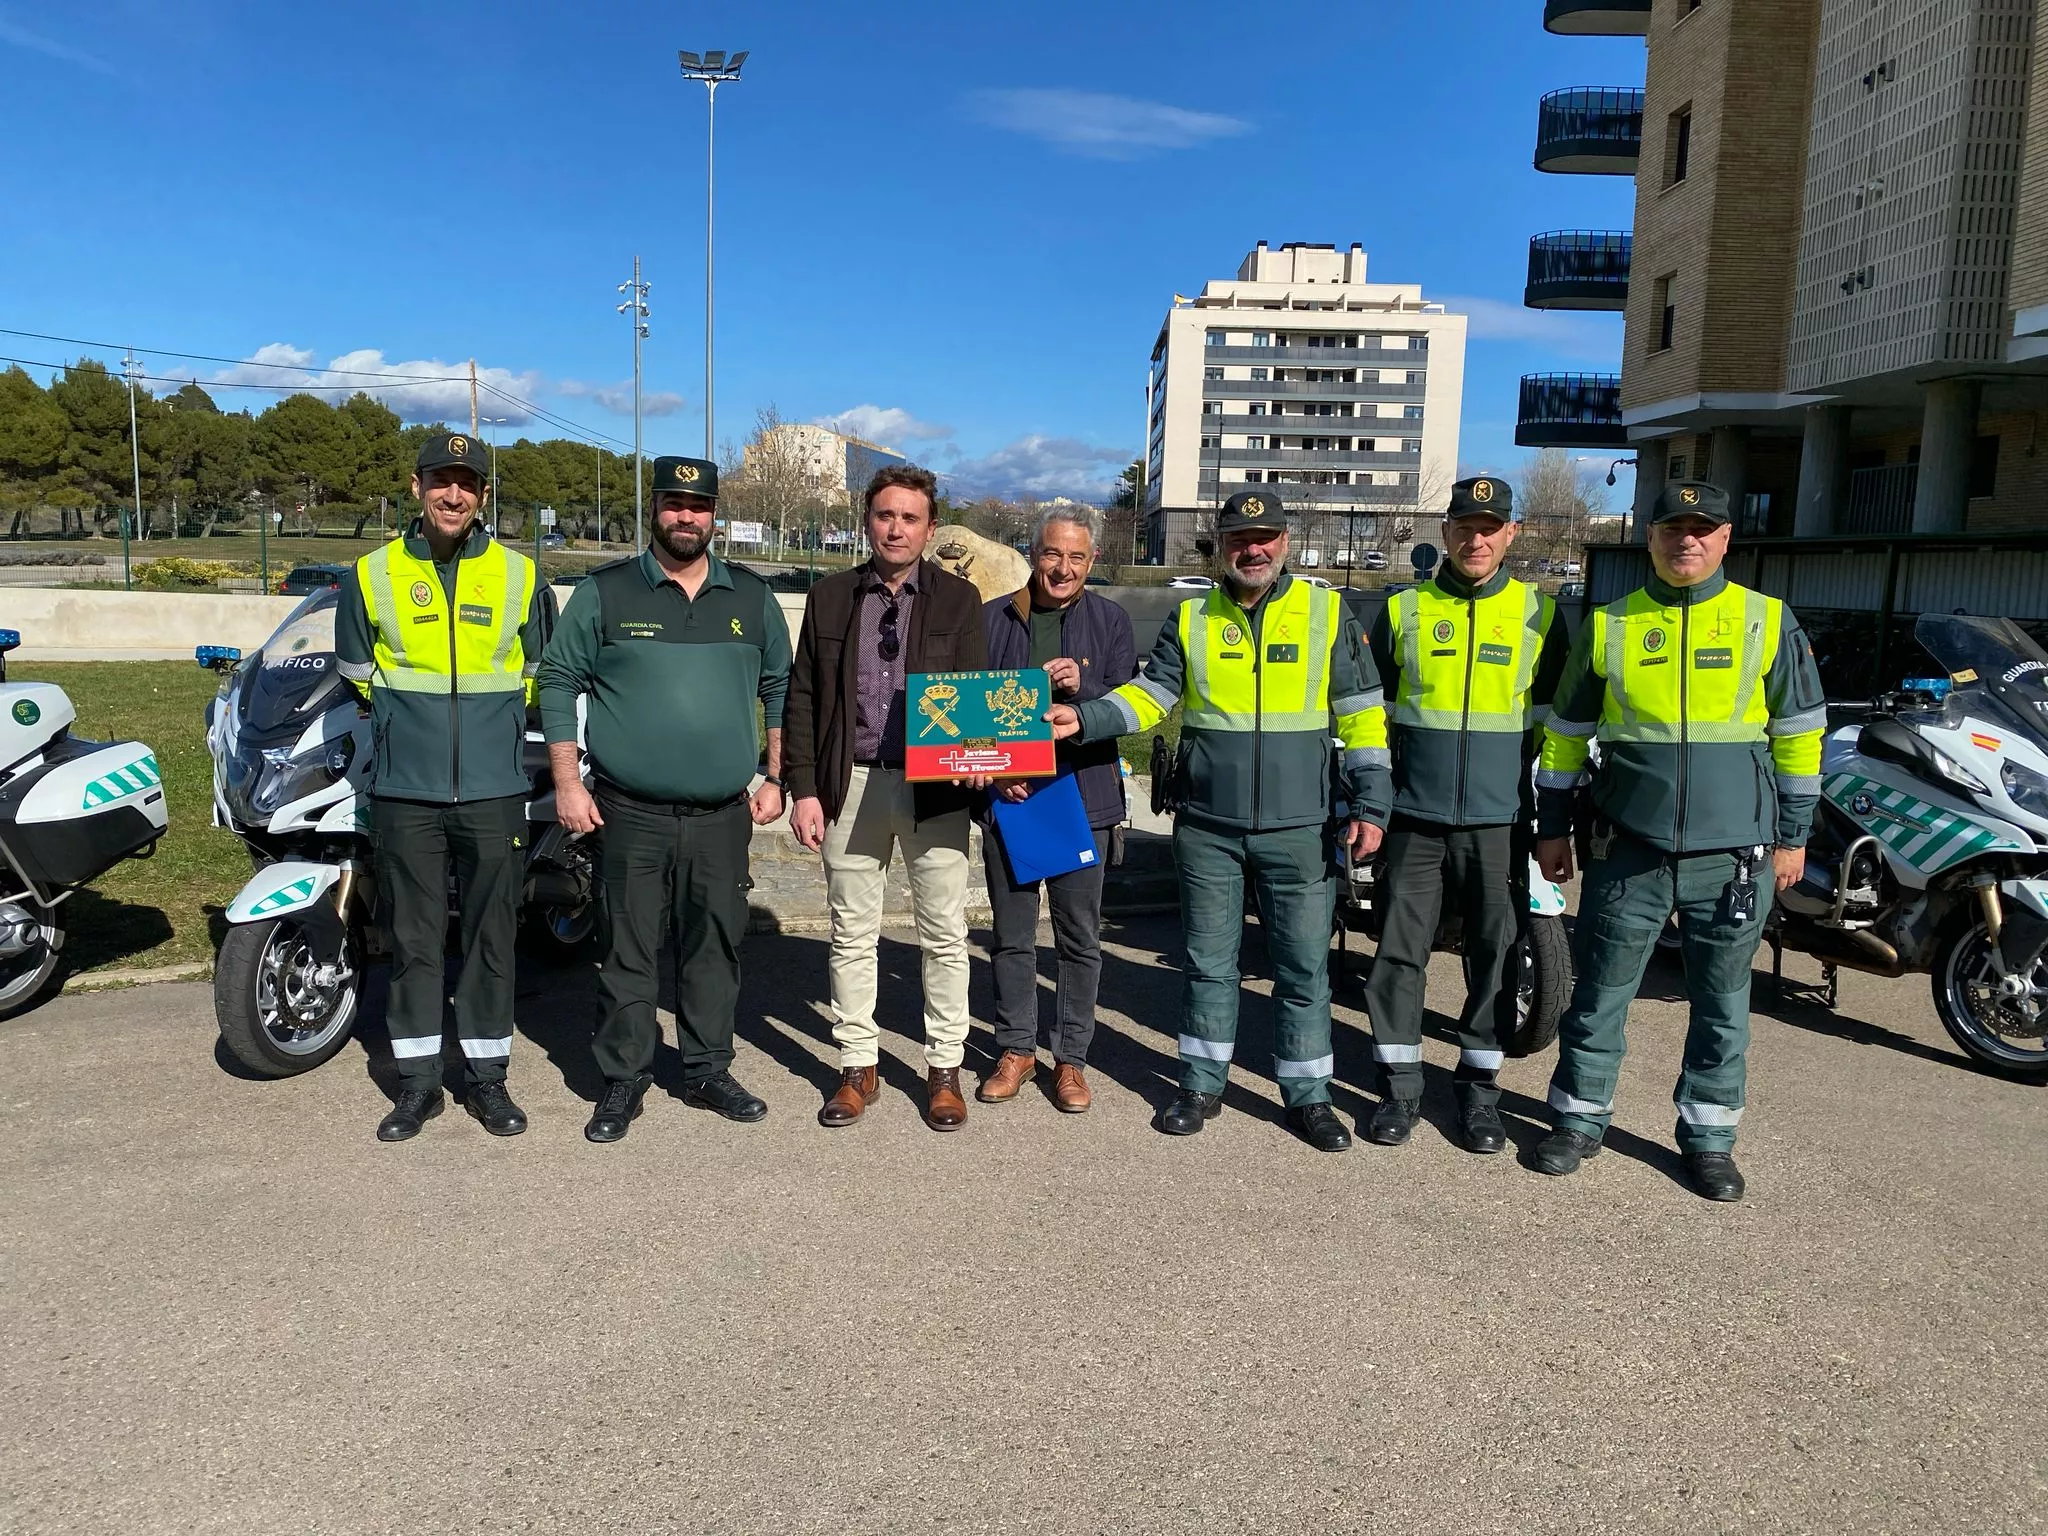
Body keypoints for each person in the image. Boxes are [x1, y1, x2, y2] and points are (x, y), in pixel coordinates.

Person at [1048, 490, 1391, 1152]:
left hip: (1302, 826)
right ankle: (1201, 1082)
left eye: (1264, 537)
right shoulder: (1193, 617)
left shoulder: (1326, 612)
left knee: (1302, 969)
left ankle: (1309, 1095)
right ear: (1221, 546)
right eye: (1239, 538)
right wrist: (1085, 717)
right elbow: (1152, 697)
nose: (1252, 549)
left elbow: (1362, 714)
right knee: (1208, 962)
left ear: (1284, 541)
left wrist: (1371, 802)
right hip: (1209, 826)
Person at [1533, 481, 1827, 1201]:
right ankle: (1577, 1121)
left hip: (1734, 856)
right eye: (1672, 528)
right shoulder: (1611, 624)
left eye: (1702, 529)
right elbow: (1565, 737)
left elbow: (1799, 737)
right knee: (1599, 991)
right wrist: (1551, 828)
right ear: (1651, 537)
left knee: (1724, 1003)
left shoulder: (1767, 621)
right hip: (1627, 846)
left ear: (1726, 538)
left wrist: (1793, 838)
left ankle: (1708, 1140)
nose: (1686, 540)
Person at [536, 456, 791, 1144]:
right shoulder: (606, 593)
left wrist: (774, 777)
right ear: (655, 508)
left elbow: (779, 691)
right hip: (630, 812)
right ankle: (624, 1077)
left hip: (721, 814)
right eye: (675, 503)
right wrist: (566, 782)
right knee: (627, 947)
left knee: (714, 945)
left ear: (715, 514)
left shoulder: (751, 598)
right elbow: (557, 681)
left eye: (699, 505)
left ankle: (707, 1068)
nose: (687, 516)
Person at [335, 430, 548, 1143]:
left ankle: (487, 1081)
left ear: (483, 495)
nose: (452, 494)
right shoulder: (370, 574)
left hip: (492, 789)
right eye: (440, 480)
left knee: (492, 939)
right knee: (414, 941)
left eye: (466, 482)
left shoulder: (521, 576)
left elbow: (538, 673)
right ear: (417, 485)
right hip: (406, 791)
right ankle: (419, 1085)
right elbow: (358, 674)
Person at [1362, 476, 1569, 1153]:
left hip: (1496, 820)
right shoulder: (1402, 611)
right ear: (1444, 533)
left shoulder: (1542, 615)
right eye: (1463, 526)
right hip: (1414, 819)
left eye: (1490, 526)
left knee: (1496, 954)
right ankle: (1399, 1090)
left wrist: (1541, 815)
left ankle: (1480, 1094)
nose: (1475, 538)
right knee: (1398, 955)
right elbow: (1372, 717)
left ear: (1512, 533)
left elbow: (1550, 728)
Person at [784, 465, 991, 1131]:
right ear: (866, 520)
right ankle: (857, 1067)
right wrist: (805, 789)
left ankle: (944, 1070)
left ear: (931, 528)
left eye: (910, 517)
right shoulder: (831, 596)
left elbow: (978, 693)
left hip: (936, 787)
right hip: (853, 783)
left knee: (944, 935)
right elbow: (805, 697)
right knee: (851, 933)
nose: (896, 528)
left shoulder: (959, 601)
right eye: (885, 515)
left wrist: (983, 758)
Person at [977, 505, 1137, 1113]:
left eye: (1075, 556)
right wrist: (992, 773)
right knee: (1013, 937)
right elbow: (969, 714)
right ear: (1032, 553)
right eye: (1051, 553)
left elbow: (1132, 705)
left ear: (1091, 561)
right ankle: (1016, 1049)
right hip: (1010, 800)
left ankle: (1071, 1059)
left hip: (1083, 800)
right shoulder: (994, 619)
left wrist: (1085, 689)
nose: (1062, 567)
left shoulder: (1112, 620)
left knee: (1078, 939)